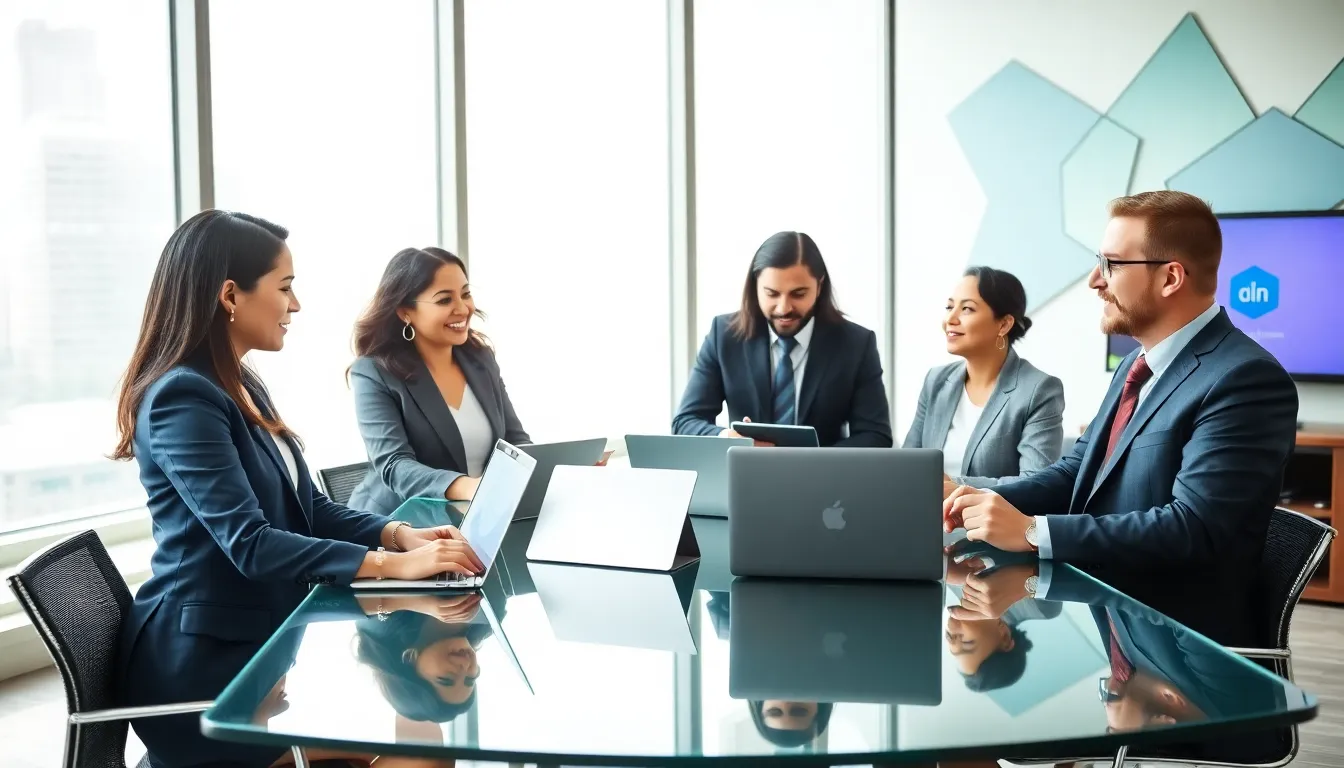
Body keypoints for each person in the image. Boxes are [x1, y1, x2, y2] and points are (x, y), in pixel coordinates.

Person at [111, 211, 485, 768]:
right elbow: (251, 544)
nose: (296, 304)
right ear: (230, 295)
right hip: (202, 680)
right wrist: (393, 566)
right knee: (423, 755)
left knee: (425, 743)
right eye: (285, 287)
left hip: (257, 648)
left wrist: (398, 534)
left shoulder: (238, 383)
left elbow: (307, 508)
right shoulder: (182, 398)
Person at [944, 191, 1299, 647]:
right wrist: (977, 498)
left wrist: (1033, 532)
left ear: (1170, 278)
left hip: (1182, 645)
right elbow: (1078, 472)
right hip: (1112, 615)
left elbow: (1193, 529)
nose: (1096, 280)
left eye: (1111, 264)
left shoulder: (1245, 379)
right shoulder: (1136, 365)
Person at [347, 247, 530, 516]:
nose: (463, 308)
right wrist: (468, 487)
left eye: (465, 294)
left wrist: (556, 469)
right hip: (398, 523)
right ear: (405, 312)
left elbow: (514, 440)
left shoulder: (480, 359)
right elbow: (394, 465)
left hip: (473, 516)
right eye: (444, 300)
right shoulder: (374, 372)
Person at [673, 231, 892, 447]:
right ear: (755, 287)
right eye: (772, 294)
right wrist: (727, 438)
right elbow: (685, 422)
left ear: (819, 286)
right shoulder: (724, 335)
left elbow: (876, 435)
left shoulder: (856, 345)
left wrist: (812, 462)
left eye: (798, 294)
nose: (784, 308)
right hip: (747, 469)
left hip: (825, 471)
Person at [904, 267, 1064, 497]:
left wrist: (956, 485)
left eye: (967, 309)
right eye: (949, 307)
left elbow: (1036, 484)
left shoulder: (1039, 390)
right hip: (925, 513)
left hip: (987, 520)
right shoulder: (936, 381)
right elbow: (907, 465)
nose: (950, 319)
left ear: (1004, 324)